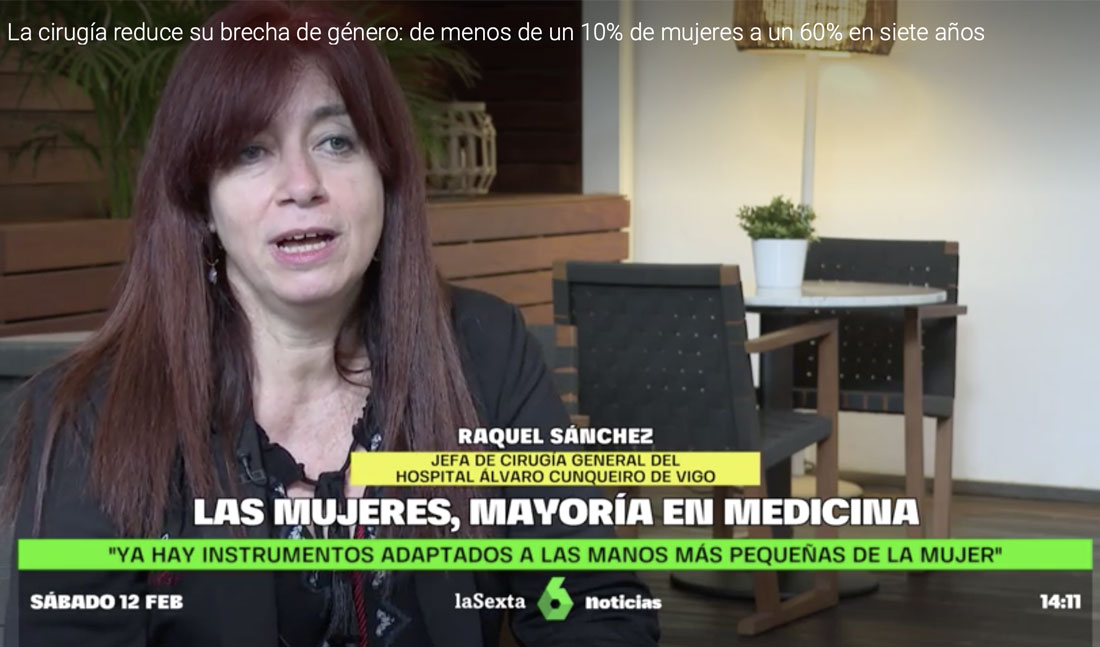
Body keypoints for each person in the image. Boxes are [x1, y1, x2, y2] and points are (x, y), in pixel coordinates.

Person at [1, 3, 660, 646]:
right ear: (201, 203)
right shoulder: (86, 417)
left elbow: (596, 604)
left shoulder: (485, 347)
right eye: (250, 151)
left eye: (336, 141)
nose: (302, 183)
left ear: (386, 174)